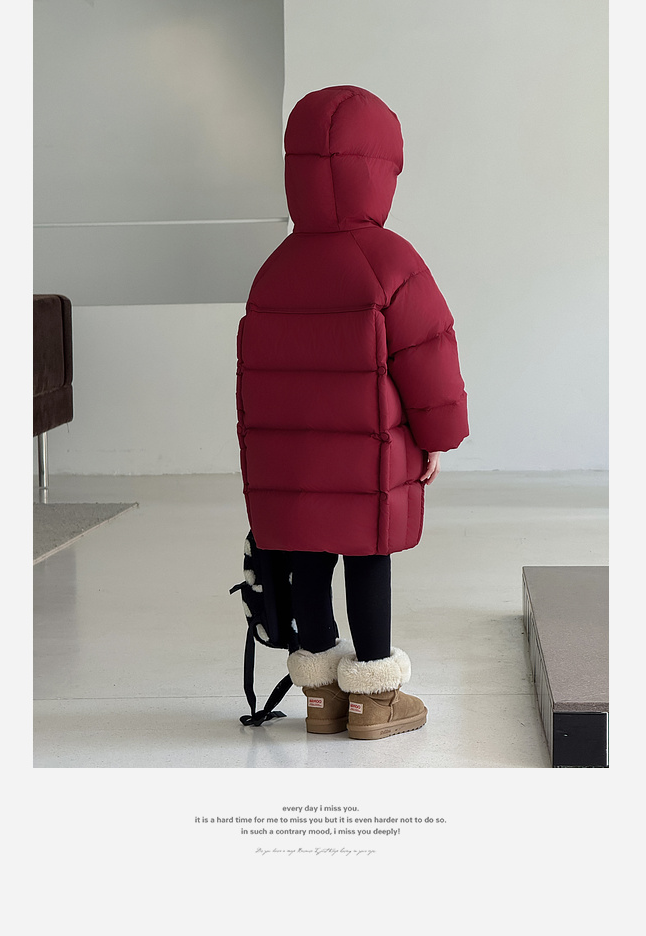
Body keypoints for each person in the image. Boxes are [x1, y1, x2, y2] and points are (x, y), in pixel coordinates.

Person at [236, 86, 468, 740]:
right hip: (370, 457)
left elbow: (253, 381)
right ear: (378, 170)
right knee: (369, 555)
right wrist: (438, 437)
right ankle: (375, 697)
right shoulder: (391, 260)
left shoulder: (274, 270)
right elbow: (428, 355)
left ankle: (321, 697)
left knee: (308, 557)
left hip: (290, 461)